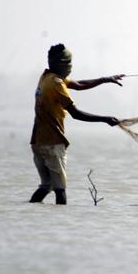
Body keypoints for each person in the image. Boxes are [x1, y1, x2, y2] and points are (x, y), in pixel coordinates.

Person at [29, 43, 122, 205]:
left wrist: (105, 79)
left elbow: (78, 85)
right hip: (52, 143)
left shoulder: (46, 77)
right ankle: (61, 225)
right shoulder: (56, 84)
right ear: (65, 64)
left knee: (46, 186)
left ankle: (28, 212)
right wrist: (105, 119)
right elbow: (76, 114)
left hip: (37, 142)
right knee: (60, 189)